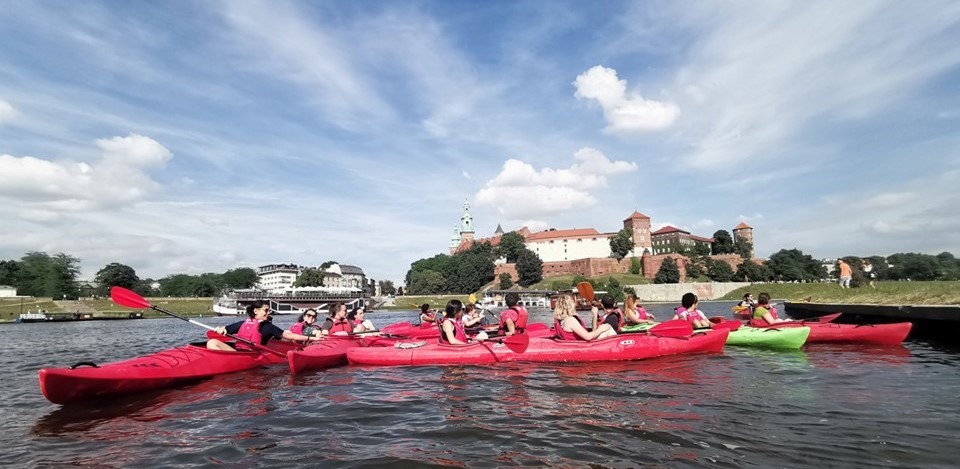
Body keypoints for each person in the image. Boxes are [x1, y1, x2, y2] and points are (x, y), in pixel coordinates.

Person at [207, 301, 319, 351]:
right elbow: (225, 329)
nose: (268, 313)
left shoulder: (267, 326)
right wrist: (221, 329)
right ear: (256, 311)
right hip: (238, 351)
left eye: (269, 310)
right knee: (212, 342)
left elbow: (290, 336)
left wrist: (312, 338)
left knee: (212, 343)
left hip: (251, 354)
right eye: (266, 310)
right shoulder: (243, 323)